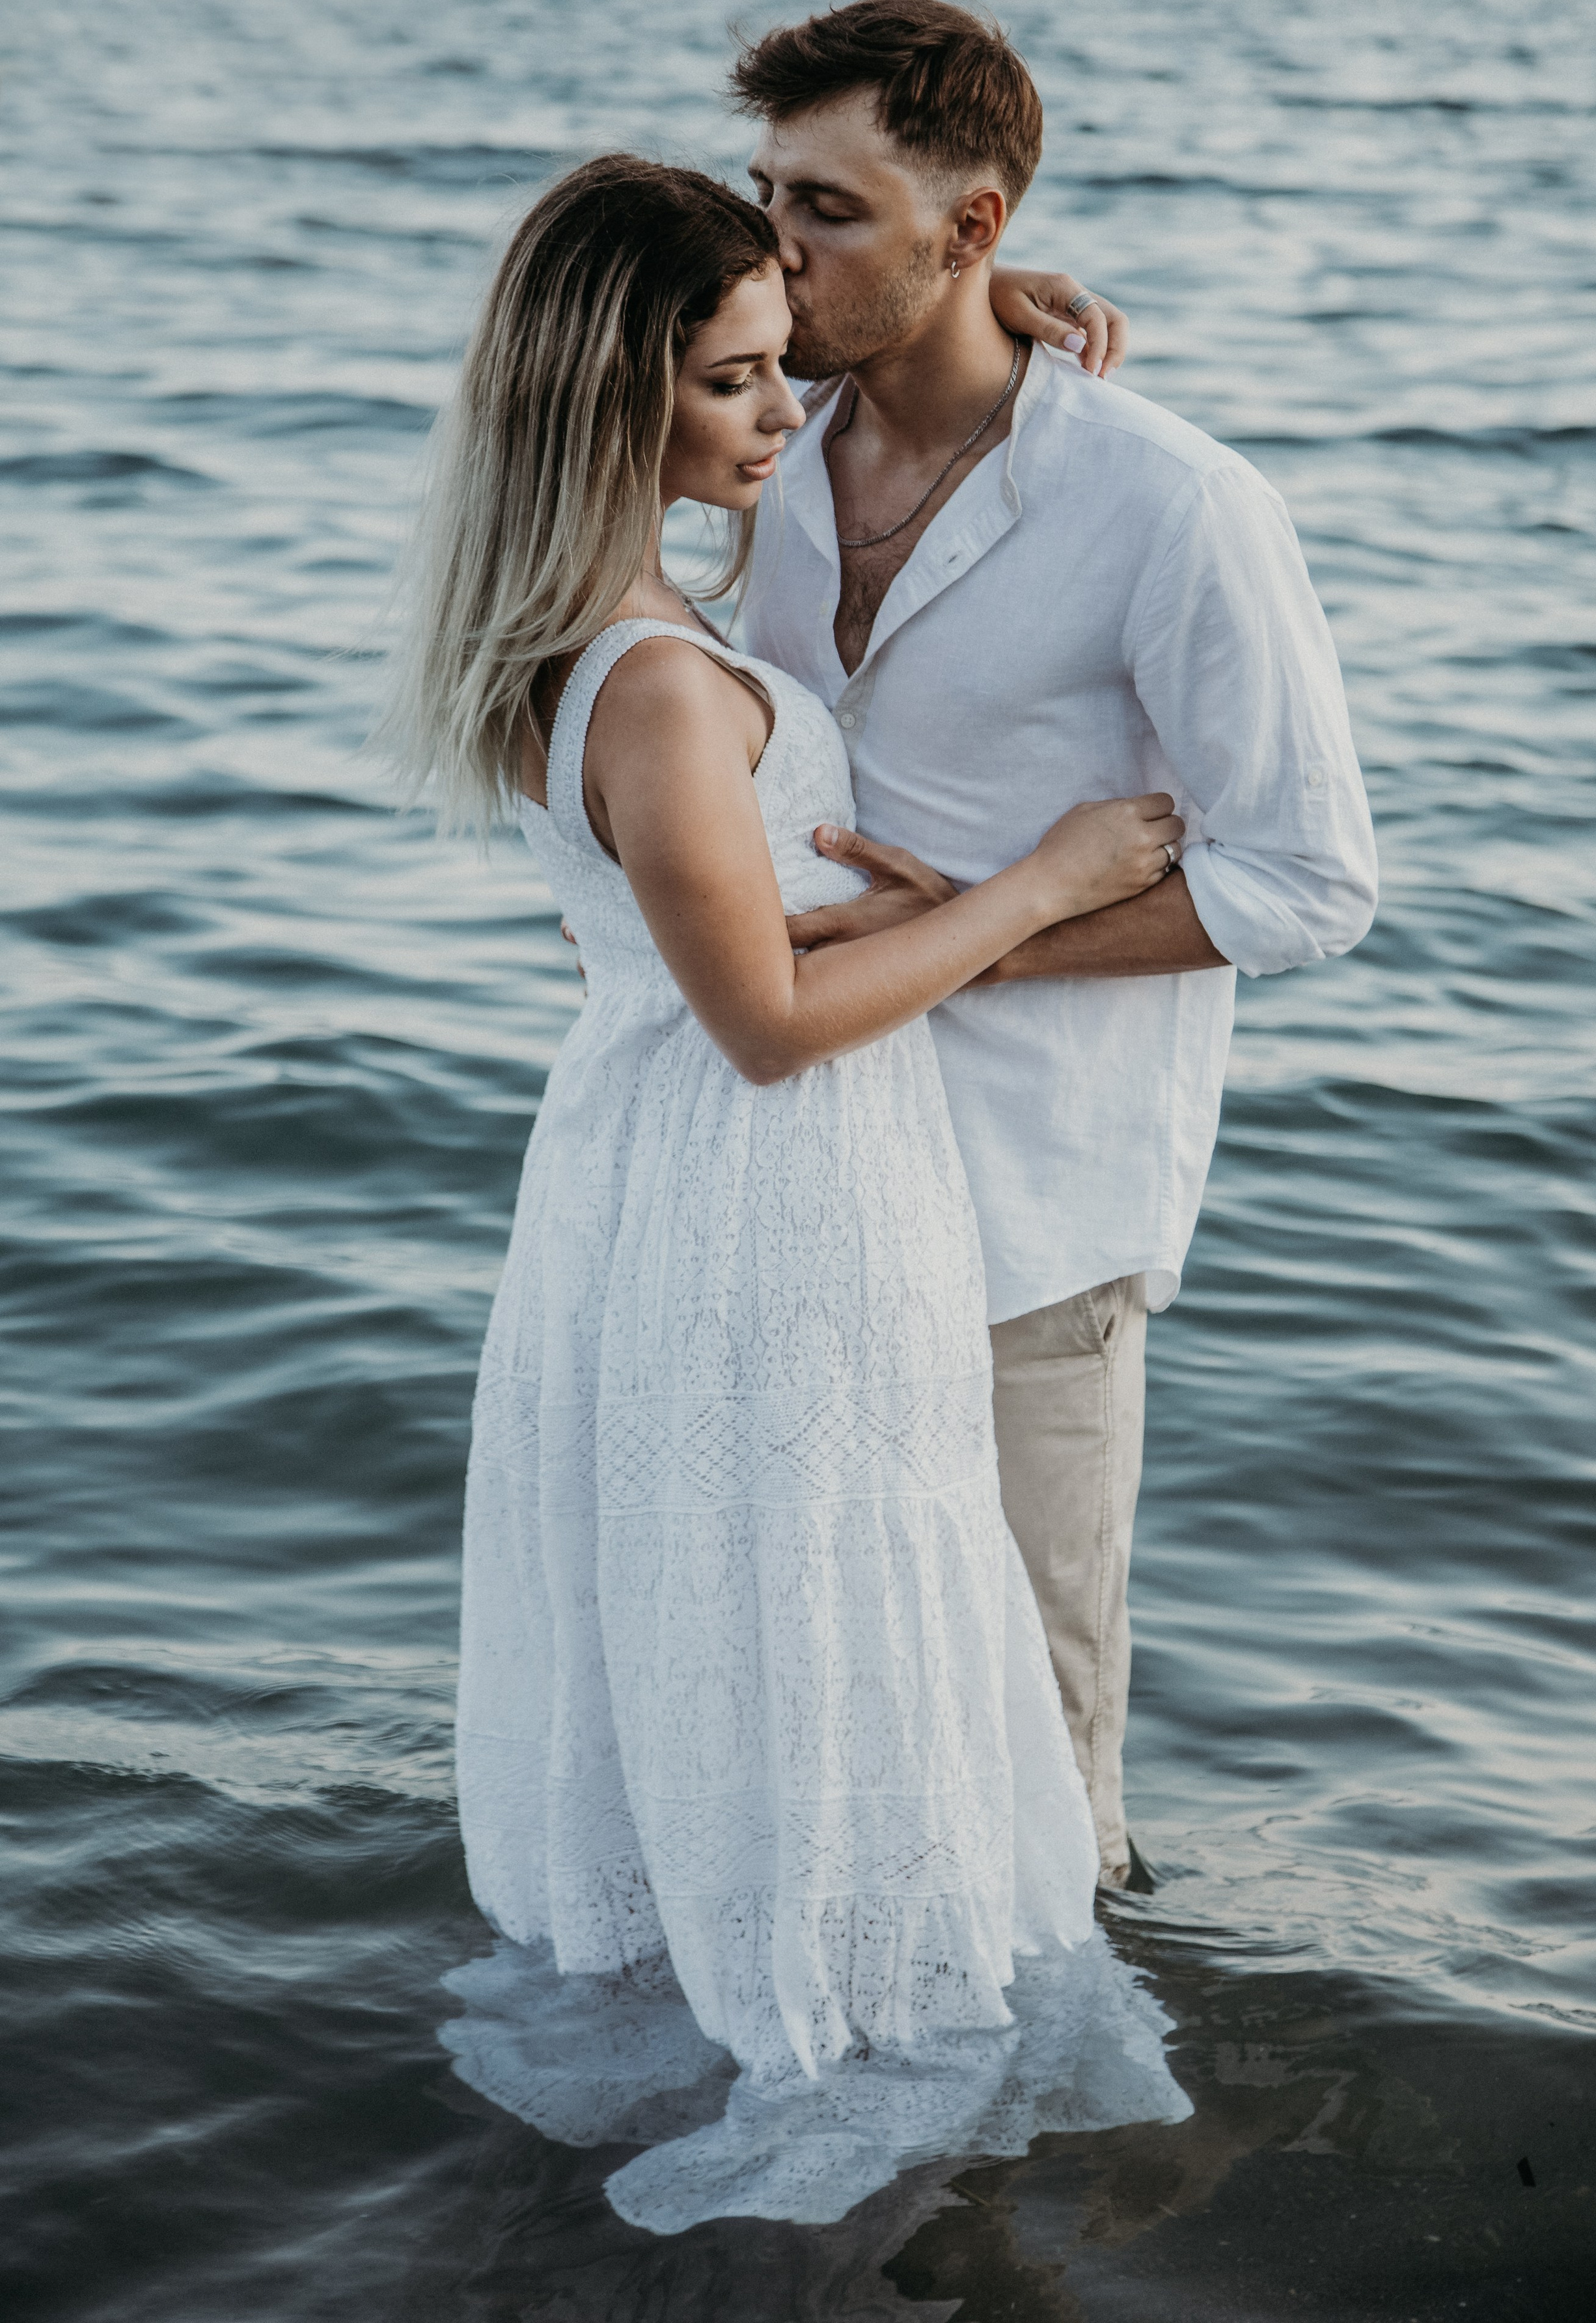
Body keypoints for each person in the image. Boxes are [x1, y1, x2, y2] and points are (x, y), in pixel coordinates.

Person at [382, 155, 1190, 2231]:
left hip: (684, 1178)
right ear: (619, 404)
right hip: (761, 1184)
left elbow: (733, 958)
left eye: (781, 367)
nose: (788, 410)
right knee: (820, 1591)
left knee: (775, 1593)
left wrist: (1008, 314)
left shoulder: (608, 621)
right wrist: (1047, 884)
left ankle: (767, 1958)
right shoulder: (654, 682)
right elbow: (762, 1019)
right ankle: (833, 2015)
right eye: (739, 385)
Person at [730, 0, 1379, 1894]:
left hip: (1029, 1227)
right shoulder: (755, 437)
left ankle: (1044, 2178)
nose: (777, 249)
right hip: (789, 1185)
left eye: (831, 211)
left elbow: (1307, 882)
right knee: (822, 1731)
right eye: (766, 197)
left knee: (1033, 1775)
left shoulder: (1170, 504)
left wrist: (990, 941)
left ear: (975, 229)